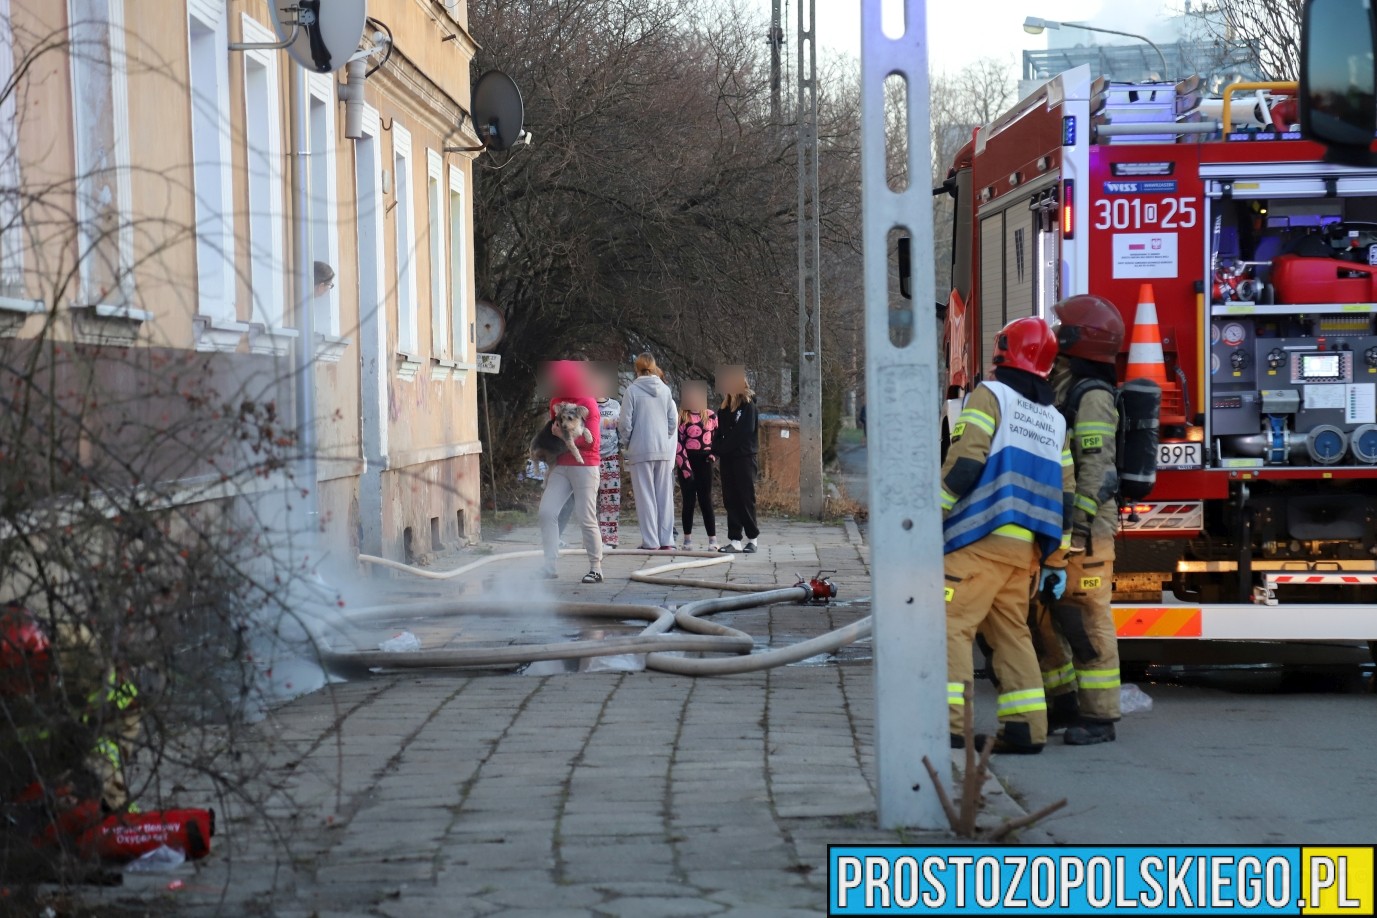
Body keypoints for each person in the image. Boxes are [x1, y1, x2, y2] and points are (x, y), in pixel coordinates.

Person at [941, 317, 1075, 755]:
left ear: (1004, 350)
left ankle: (950, 727)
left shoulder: (991, 395)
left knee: (949, 628)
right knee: (1012, 635)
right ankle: (1027, 729)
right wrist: (1056, 559)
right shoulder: (1055, 421)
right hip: (1025, 554)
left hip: (978, 541)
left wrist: (925, 519)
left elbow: (963, 465)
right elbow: (1066, 497)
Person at [1034, 295, 1127, 746]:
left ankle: (1100, 717)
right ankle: (1064, 704)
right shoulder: (1063, 384)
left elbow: (1096, 469)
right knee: (1047, 618)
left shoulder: (1091, 396)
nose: (1054, 334)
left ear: (1077, 339)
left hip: (1085, 534)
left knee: (1088, 621)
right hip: (1059, 525)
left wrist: (1080, 530)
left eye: (1061, 328)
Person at [537, 361, 604, 583]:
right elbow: (553, 432)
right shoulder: (556, 402)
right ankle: (549, 564)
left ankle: (596, 567)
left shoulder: (588, 403)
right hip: (561, 465)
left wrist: (560, 436)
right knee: (547, 512)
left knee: (586, 517)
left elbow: (591, 443)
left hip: (585, 466)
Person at [557, 363, 623, 549]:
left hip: (610, 458)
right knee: (587, 502)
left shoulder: (616, 405)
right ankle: (591, 539)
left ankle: (609, 539)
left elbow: (621, 431)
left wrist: (623, 455)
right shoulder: (583, 406)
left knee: (610, 500)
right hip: (588, 460)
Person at [618, 353, 678, 550]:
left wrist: (627, 443)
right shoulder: (665, 390)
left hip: (640, 450)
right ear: (654, 367)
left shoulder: (632, 391)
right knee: (664, 497)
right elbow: (672, 421)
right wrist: (664, 435)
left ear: (637, 368)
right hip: (662, 449)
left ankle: (651, 541)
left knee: (645, 497)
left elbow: (625, 423)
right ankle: (667, 540)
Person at [711, 365, 760, 553]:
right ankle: (735, 539)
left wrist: (723, 448)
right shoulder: (724, 408)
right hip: (728, 459)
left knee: (745, 498)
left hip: (744, 458)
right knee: (730, 498)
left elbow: (743, 432)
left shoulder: (748, 406)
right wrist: (715, 449)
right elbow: (719, 432)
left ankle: (752, 538)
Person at [675, 382, 719, 551]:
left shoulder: (711, 416)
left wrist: (713, 455)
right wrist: (685, 468)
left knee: (706, 500)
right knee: (688, 501)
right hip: (686, 461)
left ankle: (712, 540)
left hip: (705, 462)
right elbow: (678, 444)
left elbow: (717, 439)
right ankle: (687, 540)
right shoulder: (682, 417)